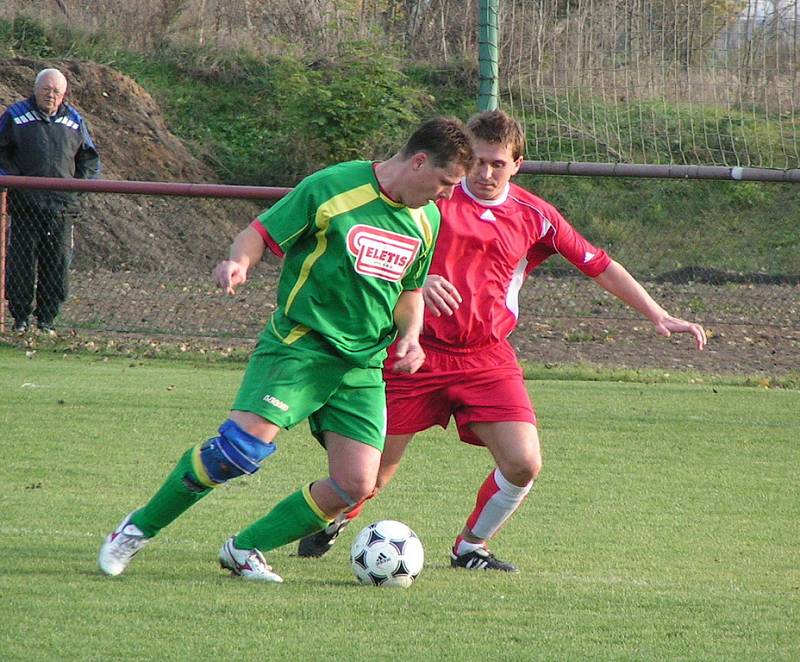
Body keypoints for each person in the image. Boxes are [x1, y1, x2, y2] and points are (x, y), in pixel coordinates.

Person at [296, 109, 707, 571]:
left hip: (485, 359)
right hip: (415, 353)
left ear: (518, 164)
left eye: (498, 163)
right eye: (478, 161)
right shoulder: (431, 200)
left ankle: (471, 546)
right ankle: (335, 517)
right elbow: (374, 251)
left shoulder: (535, 216)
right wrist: (418, 281)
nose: (486, 173)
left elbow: (599, 265)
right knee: (370, 478)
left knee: (523, 463)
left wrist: (659, 314)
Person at [97, 117, 475, 582]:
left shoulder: (428, 218)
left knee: (355, 484)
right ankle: (135, 529)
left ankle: (244, 549)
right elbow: (259, 232)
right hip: (300, 347)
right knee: (235, 451)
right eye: (445, 182)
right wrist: (239, 262)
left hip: (361, 365)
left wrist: (411, 336)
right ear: (419, 161)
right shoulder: (333, 187)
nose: (448, 195)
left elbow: (410, 291)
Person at [0, 67, 101, 334]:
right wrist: (13, 184)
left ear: (64, 94)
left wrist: (75, 190)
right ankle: (20, 319)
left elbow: (89, 160)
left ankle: (47, 321)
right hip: (25, 208)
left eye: (56, 91)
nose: (51, 95)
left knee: (56, 264)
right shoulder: (15, 116)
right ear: (36, 89)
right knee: (20, 264)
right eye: (46, 89)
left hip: (61, 209)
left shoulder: (75, 120)